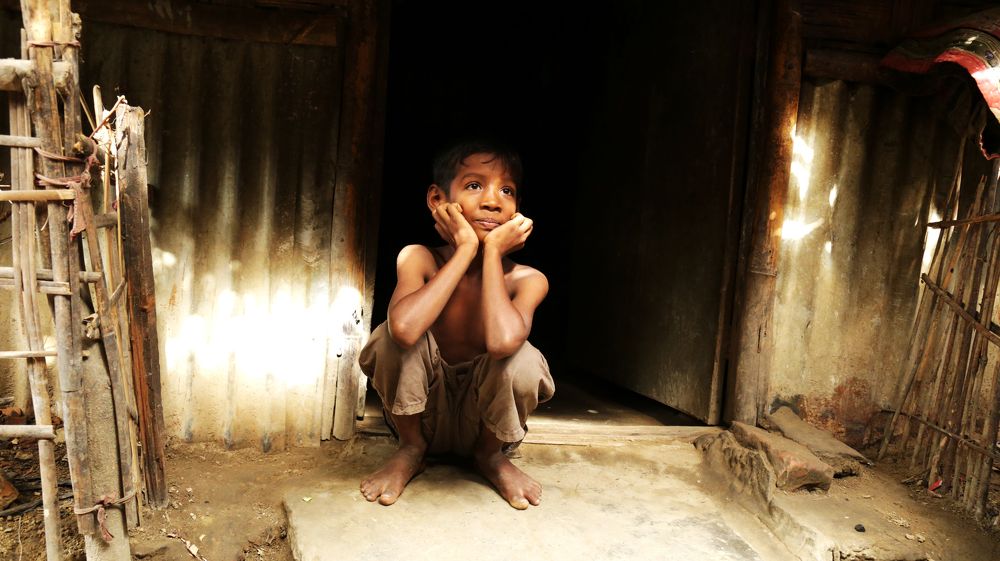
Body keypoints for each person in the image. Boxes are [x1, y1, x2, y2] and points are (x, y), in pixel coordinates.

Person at [358, 139, 554, 510]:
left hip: (485, 422)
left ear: (517, 212)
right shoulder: (419, 258)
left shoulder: (528, 279)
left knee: (521, 357)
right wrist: (465, 250)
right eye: (474, 185)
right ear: (437, 200)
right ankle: (411, 448)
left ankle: (490, 456)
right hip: (420, 413)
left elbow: (502, 342)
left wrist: (492, 251)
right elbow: (404, 330)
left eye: (507, 190)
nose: (493, 200)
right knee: (390, 336)